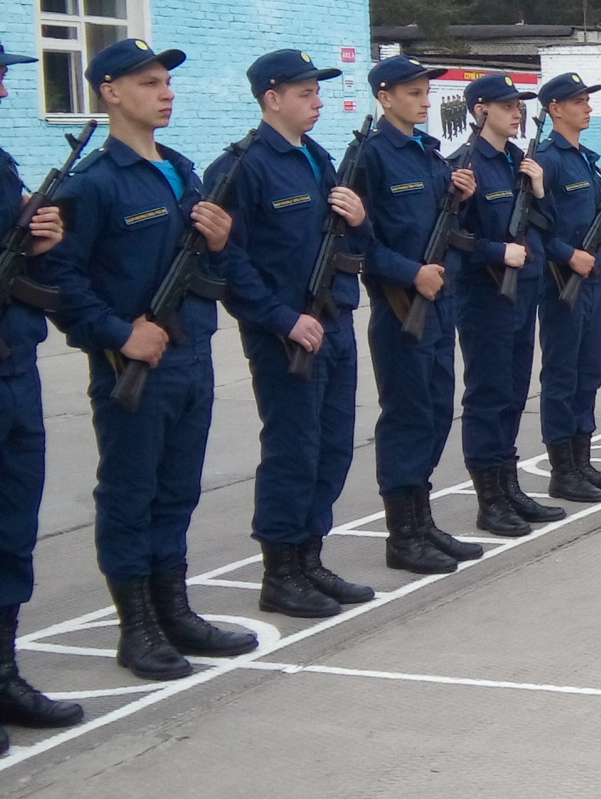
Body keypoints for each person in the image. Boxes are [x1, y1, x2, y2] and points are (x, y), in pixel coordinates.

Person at [45, 38, 256, 681]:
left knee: (177, 490)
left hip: (191, 357)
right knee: (131, 493)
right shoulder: (95, 185)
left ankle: (174, 610)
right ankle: (136, 627)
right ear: (109, 91)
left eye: (166, 82)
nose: (165, 93)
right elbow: (58, 277)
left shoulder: (181, 170)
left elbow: (206, 269)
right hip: (132, 367)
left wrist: (220, 242)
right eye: (148, 83)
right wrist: (114, 333)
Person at [208, 50, 373, 617]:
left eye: (317, 92)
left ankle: (310, 558)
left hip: (333, 322)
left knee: (331, 448)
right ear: (271, 98)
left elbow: (347, 246)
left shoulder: (317, 158)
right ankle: (280, 572)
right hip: (284, 333)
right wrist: (282, 319)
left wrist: (358, 220)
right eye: (305, 93)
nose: (318, 101)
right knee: (292, 451)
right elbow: (227, 262)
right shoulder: (242, 167)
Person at [358, 55, 483, 574]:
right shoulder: (371, 157)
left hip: (439, 303)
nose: (424, 100)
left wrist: (464, 197)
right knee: (407, 417)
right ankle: (402, 534)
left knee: (434, 411)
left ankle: (422, 520)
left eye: (425, 92)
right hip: (401, 306)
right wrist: (410, 274)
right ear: (385, 97)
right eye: (412, 92)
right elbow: (359, 242)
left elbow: (447, 227)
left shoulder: (430, 155)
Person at [0, 39, 85, 744]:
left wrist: (37, 235)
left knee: (12, 529)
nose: (4, 91)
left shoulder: (0, 165)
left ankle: (4, 670)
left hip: (15, 367)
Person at [452, 75, 563, 536]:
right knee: (489, 395)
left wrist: (539, 191)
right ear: (480, 111)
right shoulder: (464, 165)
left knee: (515, 393)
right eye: (505, 105)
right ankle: (489, 498)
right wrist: (497, 252)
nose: (516, 112)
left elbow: (549, 227)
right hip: (486, 297)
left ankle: (509, 484)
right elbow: (452, 238)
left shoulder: (521, 161)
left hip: (525, 292)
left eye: (518, 104)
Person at [534, 71, 601, 503]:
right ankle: (563, 469)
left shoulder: (584, 160)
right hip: (563, 282)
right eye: (578, 102)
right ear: (555, 109)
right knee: (562, 375)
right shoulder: (548, 160)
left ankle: (582, 459)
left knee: (588, 373)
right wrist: (565, 253)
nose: (588, 108)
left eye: (587, 101)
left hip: (592, 280)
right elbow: (535, 225)